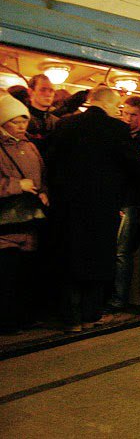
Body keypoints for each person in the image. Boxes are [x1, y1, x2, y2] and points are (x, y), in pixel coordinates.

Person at [47, 86, 140, 332]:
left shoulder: (65, 125)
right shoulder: (115, 129)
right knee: (98, 261)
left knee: (70, 260)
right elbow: (133, 165)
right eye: (117, 108)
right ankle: (90, 316)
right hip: (101, 209)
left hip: (66, 208)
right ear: (107, 105)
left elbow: (50, 164)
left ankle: (71, 320)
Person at [0, 94, 49, 334]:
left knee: (26, 273)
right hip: (5, 223)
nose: (22, 126)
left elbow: (42, 176)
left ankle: (24, 316)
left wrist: (43, 192)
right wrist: (16, 186)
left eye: (24, 121)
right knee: (6, 275)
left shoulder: (30, 146)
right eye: (15, 122)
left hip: (29, 219)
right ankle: (7, 321)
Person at [108, 96, 140, 312]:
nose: (128, 118)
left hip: (129, 201)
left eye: (134, 115)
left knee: (121, 252)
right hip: (117, 200)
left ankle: (118, 299)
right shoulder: (120, 136)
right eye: (125, 113)